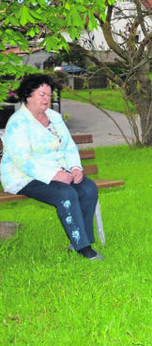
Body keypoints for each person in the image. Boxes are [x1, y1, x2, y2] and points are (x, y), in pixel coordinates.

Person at [0, 74, 102, 260]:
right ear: (28, 96)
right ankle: (83, 248)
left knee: (88, 188)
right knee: (66, 193)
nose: (46, 98)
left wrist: (75, 168)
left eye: (49, 94)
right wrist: (54, 175)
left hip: (59, 171)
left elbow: (69, 145)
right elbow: (22, 159)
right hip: (23, 176)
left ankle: (79, 239)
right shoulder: (18, 122)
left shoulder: (54, 117)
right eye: (41, 94)